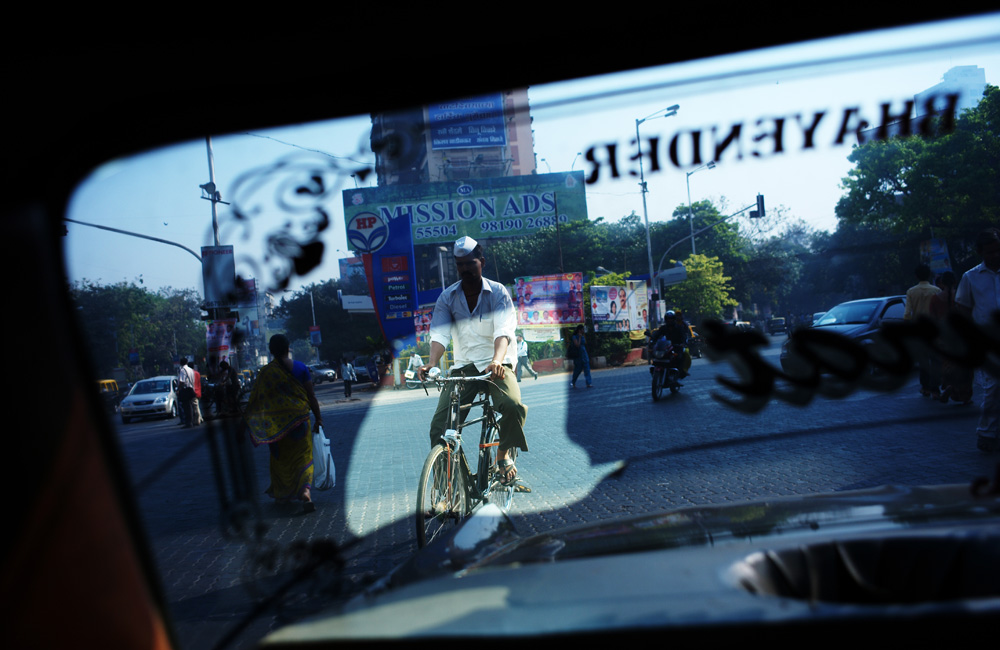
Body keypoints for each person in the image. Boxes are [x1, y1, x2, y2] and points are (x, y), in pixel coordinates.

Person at [418, 236, 528, 486]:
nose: (465, 269)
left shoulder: (498, 292)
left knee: (512, 406)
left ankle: (502, 455)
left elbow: (503, 332)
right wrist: (432, 363)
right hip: (464, 368)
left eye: (470, 263)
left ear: (482, 262)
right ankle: (448, 486)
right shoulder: (447, 297)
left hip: (496, 366)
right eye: (460, 265)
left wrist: (497, 361)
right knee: (440, 427)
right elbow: (439, 334)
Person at [244, 334, 323, 513]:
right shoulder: (301, 368)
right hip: (300, 421)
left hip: (276, 426)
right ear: (289, 348)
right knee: (303, 456)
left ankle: (282, 495)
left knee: (280, 460)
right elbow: (311, 396)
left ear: (271, 351)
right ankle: (305, 492)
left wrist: (245, 424)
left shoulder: (265, 373)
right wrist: (318, 418)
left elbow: (255, 401)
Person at [955, 227, 1000, 453]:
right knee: (993, 387)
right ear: (981, 253)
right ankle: (986, 432)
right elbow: (963, 310)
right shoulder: (970, 277)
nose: (995, 256)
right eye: (990, 252)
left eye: (997, 250)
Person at [929, 271, 973, 405]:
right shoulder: (960, 297)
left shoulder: (935, 299)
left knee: (948, 365)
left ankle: (950, 386)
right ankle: (963, 396)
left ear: (941, 283)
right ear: (955, 282)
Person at [904, 263, 942, 398]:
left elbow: (907, 314)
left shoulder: (911, 292)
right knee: (936, 360)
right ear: (929, 274)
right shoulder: (937, 290)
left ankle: (925, 387)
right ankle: (935, 389)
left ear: (916, 276)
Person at [653, 310, 692, 377]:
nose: (669, 320)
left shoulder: (679, 327)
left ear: (674, 319)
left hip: (677, 347)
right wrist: (653, 339)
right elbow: (657, 334)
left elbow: (684, 336)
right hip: (666, 347)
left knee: (682, 355)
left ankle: (682, 371)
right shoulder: (663, 328)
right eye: (668, 319)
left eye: (671, 319)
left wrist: (683, 343)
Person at [177, 359, 195, 427]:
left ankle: (188, 422)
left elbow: (182, 381)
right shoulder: (190, 370)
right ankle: (191, 421)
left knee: (186, 407)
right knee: (190, 406)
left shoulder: (183, 370)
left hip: (185, 389)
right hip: (191, 388)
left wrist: (178, 389)